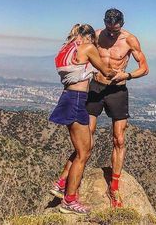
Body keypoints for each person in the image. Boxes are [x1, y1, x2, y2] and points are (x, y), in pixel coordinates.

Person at [51, 8, 149, 208]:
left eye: (116, 30)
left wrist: (127, 75)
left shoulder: (130, 40)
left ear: (121, 25)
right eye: (109, 29)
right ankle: (64, 181)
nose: (112, 33)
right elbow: (80, 51)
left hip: (117, 90)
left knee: (119, 139)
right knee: (86, 136)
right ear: (105, 23)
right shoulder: (95, 35)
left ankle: (114, 188)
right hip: (95, 88)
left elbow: (144, 68)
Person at [49, 23, 116, 215]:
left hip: (68, 98)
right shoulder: (87, 47)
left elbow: (78, 72)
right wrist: (123, 74)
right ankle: (69, 200)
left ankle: (62, 184)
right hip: (77, 100)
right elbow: (106, 70)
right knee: (83, 153)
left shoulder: (66, 50)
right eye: (93, 40)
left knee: (84, 148)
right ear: (88, 38)